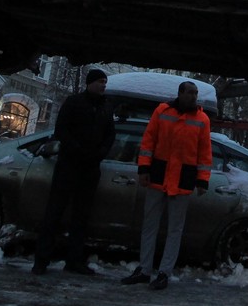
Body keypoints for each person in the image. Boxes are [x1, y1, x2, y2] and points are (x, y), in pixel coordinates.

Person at [120, 81, 212, 290]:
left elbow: (204, 153)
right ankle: (144, 269)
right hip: (159, 175)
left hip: (182, 179)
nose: (193, 97)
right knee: (150, 225)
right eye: (190, 93)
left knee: (174, 229)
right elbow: (148, 141)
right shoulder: (162, 111)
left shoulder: (202, 119)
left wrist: (202, 180)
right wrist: (144, 169)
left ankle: (164, 273)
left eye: (195, 93)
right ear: (180, 93)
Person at [32, 69, 116, 275]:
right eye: (99, 81)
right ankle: (41, 259)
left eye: (104, 82)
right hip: (69, 165)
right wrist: (76, 149)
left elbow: (110, 134)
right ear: (89, 83)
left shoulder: (105, 106)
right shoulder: (74, 102)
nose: (103, 85)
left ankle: (75, 260)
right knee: (55, 212)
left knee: (82, 216)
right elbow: (61, 130)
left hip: (90, 167)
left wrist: (101, 152)